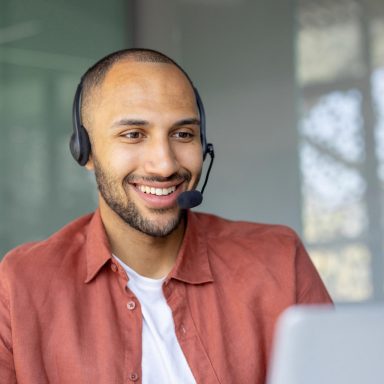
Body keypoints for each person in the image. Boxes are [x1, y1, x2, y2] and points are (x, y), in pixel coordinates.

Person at [0, 48, 332, 384]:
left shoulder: (279, 260)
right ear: (84, 150)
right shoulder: (20, 285)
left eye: (183, 134)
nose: (165, 164)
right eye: (133, 135)